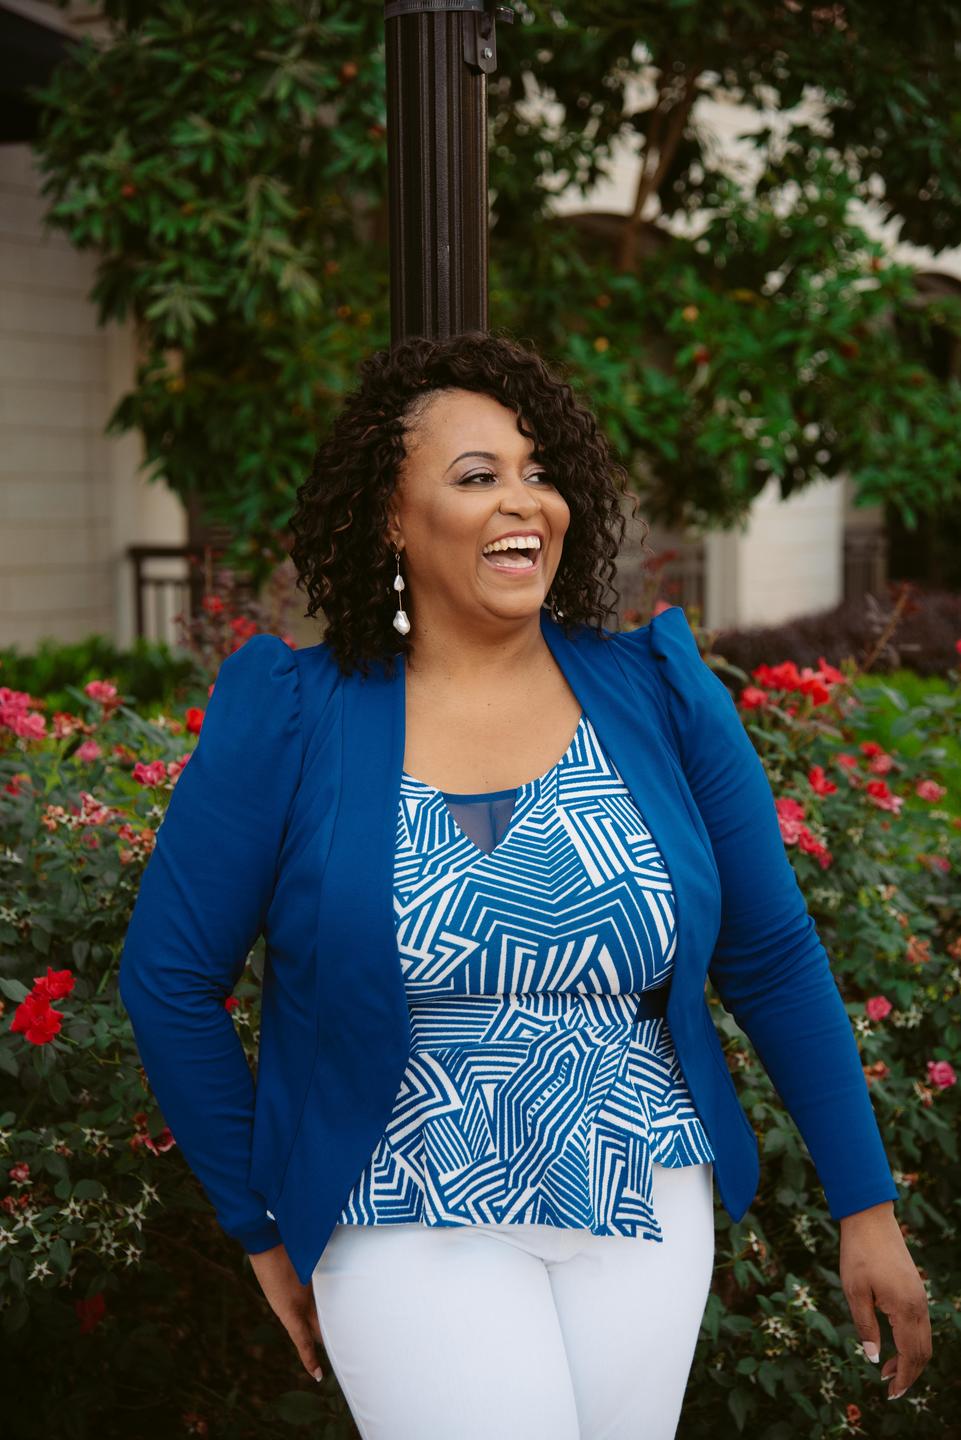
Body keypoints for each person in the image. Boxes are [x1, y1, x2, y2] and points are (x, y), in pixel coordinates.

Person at [119, 331, 932, 1439]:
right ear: (390, 517)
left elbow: (772, 954)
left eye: (539, 470)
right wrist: (262, 1226)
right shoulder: (294, 712)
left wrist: (865, 1205)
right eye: (476, 476)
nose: (524, 500)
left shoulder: (658, 689)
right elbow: (169, 978)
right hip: (401, 1195)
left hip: (644, 1186)